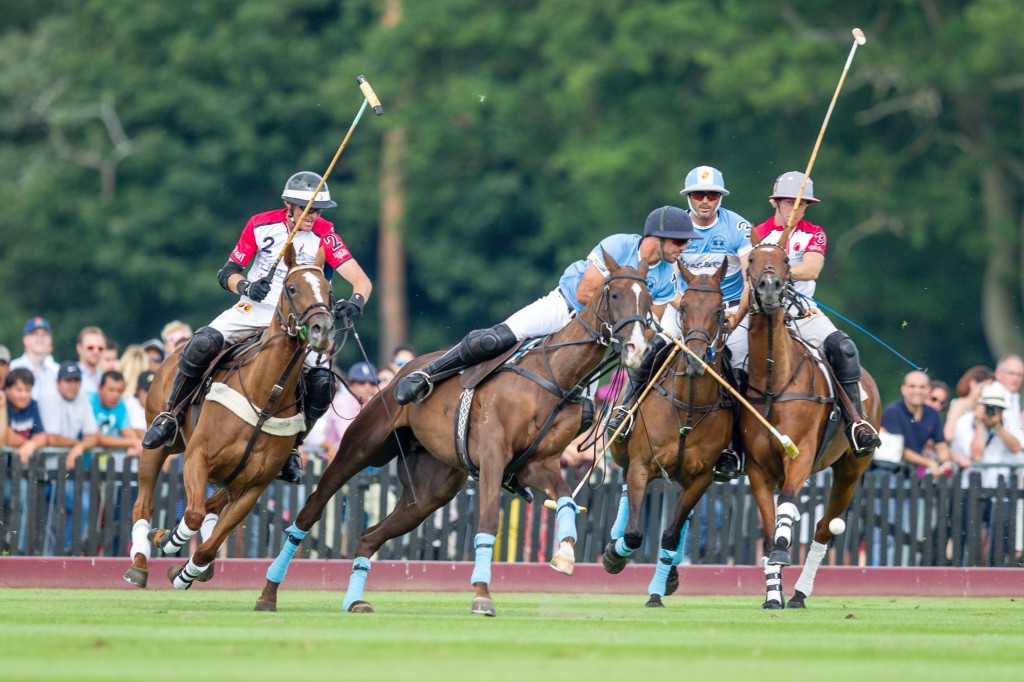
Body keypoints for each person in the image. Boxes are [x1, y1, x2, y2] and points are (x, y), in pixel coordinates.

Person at [141, 171, 372, 485]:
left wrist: (356, 301)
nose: (313, 216)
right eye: (307, 208)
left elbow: (361, 281)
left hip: (298, 318)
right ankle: (170, 414)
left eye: (318, 210)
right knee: (202, 343)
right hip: (254, 309)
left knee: (320, 381)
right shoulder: (261, 225)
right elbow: (228, 273)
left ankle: (293, 444)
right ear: (288, 205)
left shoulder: (326, 235)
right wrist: (248, 287)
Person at [395, 206, 700, 406]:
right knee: (494, 338)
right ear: (657, 237)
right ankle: (427, 375)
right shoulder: (619, 245)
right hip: (562, 308)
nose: (684, 248)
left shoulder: (666, 276)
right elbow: (584, 293)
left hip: (595, 340)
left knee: (583, 414)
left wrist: (637, 346)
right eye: (679, 242)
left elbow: (647, 325)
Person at [747, 171, 881, 455]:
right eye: (789, 203)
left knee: (843, 348)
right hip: (760, 311)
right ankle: (731, 441)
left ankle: (856, 423)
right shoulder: (759, 234)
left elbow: (811, 268)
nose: (795, 210)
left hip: (800, 309)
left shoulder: (813, 232)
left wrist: (773, 271)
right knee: (728, 355)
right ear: (776, 202)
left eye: (802, 204)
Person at [658, 165, 752, 479]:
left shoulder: (738, 227)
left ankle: (732, 449)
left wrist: (736, 317)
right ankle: (627, 417)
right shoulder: (676, 227)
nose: (705, 201)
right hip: (684, 308)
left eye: (712, 195)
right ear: (689, 197)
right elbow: (664, 279)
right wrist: (686, 310)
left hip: (729, 309)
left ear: (719, 198)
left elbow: (750, 279)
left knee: (740, 370)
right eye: (699, 195)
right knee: (654, 352)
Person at [950, 383, 1024, 559]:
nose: (994, 412)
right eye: (990, 407)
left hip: (1000, 488)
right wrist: (980, 425)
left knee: (1001, 533)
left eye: (998, 408)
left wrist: (998, 427)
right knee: (970, 534)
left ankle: (995, 569)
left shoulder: (1009, 423)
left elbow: (1016, 448)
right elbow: (976, 454)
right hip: (971, 487)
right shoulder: (965, 422)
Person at [881, 370, 960, 479]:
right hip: (889, 472)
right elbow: (900, 450)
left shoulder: (934, 414)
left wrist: (947, 463)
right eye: (912, 386)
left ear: (928, 390)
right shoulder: (892, 411)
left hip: (916, 474)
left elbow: (941, 445)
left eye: (922, 387)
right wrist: (929, 463)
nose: (917, 391)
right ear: (903, 389)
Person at [91, 370, 144, 456]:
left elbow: (128, 432)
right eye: (111, 390)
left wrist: (134, 446)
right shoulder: (89, 401)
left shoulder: (120, 404)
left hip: (98, 464)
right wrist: (132, 442)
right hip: (75, 462)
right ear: (100, 388)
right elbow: (96, 438)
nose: (115, 395)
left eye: (119, 391)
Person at [2, 368, 48, 464]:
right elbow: (5, 437)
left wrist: (31, 445)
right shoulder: (2, 404)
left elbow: (42, 436)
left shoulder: (32, 404)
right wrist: (28, 444)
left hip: (21, 470)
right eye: (19, 390)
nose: (24, 395)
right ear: (7, 390)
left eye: (28, 390)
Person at [9, 316, 60, 400]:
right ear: (25, 340)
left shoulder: (58, 371)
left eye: (45, 334)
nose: (40, 338)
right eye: (34, 334)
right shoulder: (12, 368)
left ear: (51, 340)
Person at [944, 365, 994, 442]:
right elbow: (948, 433)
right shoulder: (960, 404)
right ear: (973, 383)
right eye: (983, 388)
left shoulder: (981, 407)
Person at [991, 354, 1024, 433]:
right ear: (998, 373)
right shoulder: (993, 395)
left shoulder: (1014, 396)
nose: (1015, 379)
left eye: (1019, 375)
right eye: (1011, 373)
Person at [74, 326, 108, 396]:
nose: (96, 351)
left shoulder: (104, 377)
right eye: (90, 347)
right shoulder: (70, 376)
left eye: (100, 348)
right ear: (79, 348)